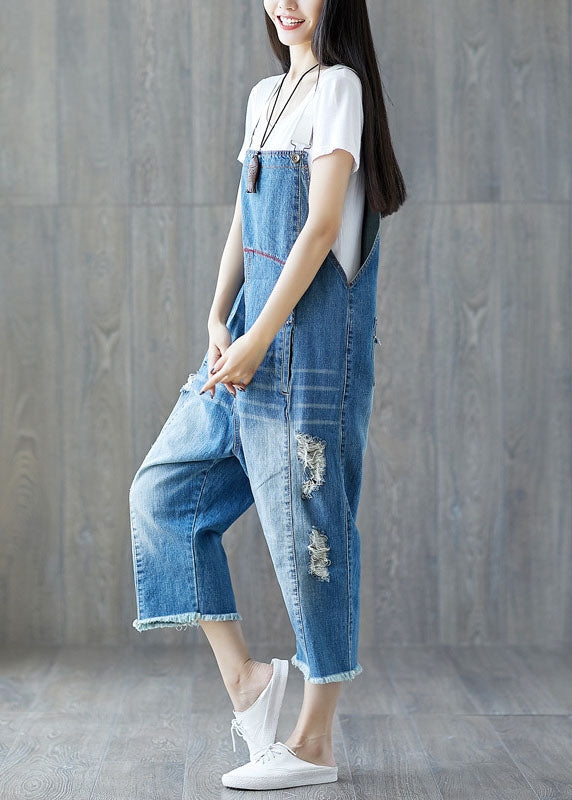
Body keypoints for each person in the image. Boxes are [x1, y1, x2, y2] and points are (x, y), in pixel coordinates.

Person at [129, 0, 406, 790]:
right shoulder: (265, 95)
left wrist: (257, 339)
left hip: (310, 350)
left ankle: (314, 744)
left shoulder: (341, 88)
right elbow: (243, 222)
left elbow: (320, 227)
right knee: (162, 497)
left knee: (314, 534)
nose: (284, 2)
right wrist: (219, 315)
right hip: (248, 337)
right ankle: (248, 681)